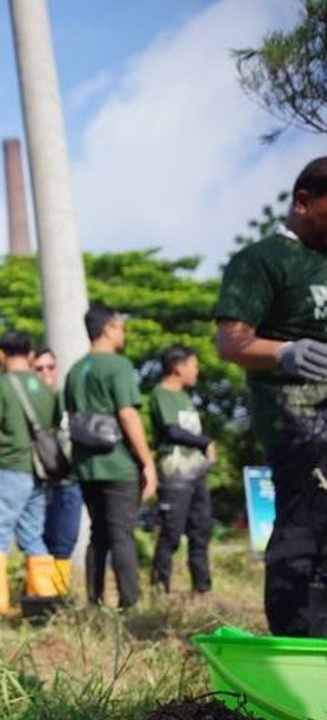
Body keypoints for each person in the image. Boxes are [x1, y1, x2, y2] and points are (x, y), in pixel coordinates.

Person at [215, 156, 327, 637]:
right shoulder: (261, 260)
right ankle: (297, 642)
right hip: (296, 421)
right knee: (305, 528)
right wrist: (284, 353)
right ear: (304, 201)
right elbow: (231, 341)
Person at [64, 304, 157, 610]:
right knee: (122, 534)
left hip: (87, 465)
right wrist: (147, 461)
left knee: (98, 534)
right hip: (117, 463)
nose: (123, 332)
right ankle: (130, 603)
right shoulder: (117, 366)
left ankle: (94, 600)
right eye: (120, 326)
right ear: (107, 329)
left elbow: (72, 416)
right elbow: (128, 415)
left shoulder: (75, 370)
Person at [0, 331, 62, 615]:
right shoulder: (46, 390)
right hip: (38, 472)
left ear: (1, 355)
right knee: (32, 536)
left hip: (8, 470)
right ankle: (47, 600)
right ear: (30, 355)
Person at [148, 346, 215, 595]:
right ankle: (159, 589)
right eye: (193, 365)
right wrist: (205, 442)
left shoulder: (186, 397)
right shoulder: (161, 393)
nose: (196, 370)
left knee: (201, 529)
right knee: (172, 532)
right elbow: (172, 430)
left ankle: (202, 588)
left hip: (196, 472)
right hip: (175, 473)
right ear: (178, 367)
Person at [35, 347, 81, 595]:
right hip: (37, 484)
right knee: (39, 542)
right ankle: (41, 596)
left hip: (68, 482)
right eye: (39, 368)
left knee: (65, 541)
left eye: (50, 367)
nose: (45, 373)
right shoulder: (27, 400)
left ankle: (58, 596)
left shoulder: (67, 398)